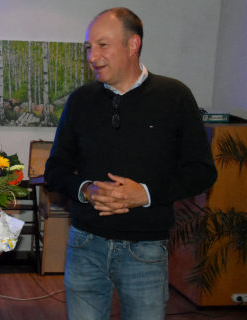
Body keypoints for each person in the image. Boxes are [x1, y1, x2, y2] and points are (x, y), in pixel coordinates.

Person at [44, 7, 217, 320]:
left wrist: (145, 194)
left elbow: (202, 172)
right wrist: (85, 190)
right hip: (85, 244)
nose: (92, 56)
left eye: (102, 45)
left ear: (133, 44)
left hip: (146, 251)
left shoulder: (175, 97)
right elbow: (54, 171)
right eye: (88, 47)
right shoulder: (80, 101)